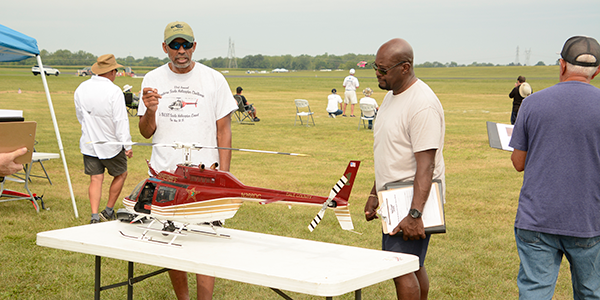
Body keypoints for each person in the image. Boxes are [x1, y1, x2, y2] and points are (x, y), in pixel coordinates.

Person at [138, 21, 238, 300]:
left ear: (194, 46)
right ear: (164, 48)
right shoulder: (152, 79)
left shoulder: (214, 79)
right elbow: (146, 132)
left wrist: (225, 179)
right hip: (166, 175)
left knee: (206, 242)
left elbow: (224, 130)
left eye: (185, 45)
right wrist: (149, 111)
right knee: (172, 242)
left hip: (205, 175)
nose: (181, 51)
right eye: (174, 45)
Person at [509, 35, 600, 299]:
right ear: (597, 72)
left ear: (562, 65)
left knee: (535, 292)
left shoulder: (532, 104)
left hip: (537, 218)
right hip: (590, 220)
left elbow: (518, 163)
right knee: (591, 292)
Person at [364, 38, 445, 300]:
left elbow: (426, 164)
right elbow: (390, 152)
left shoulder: (422, 104)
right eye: (376, 67)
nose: (378, 74)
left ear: (405, 67)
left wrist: (414, 213)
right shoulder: (390, 97)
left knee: (399, 267)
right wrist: (374, 193)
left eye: (383, 69)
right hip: (392, 199)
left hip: (409, 201)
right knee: (413, 265)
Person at [74, 54, 134, 224]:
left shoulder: (81, 88)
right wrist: (127, 145)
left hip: (90, 143)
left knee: (95, 178)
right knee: (121, 173)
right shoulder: (114, 91)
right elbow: (120, 120)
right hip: (111, 144)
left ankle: (94, 216)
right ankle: (108, 210)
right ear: (111, 72)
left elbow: (81, 116)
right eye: (115, 70)